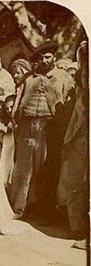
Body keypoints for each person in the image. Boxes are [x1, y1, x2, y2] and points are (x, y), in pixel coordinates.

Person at [9, 40, 74, 221]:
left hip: (49, 127)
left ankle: (44, 212)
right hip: (27, 126)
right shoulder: (29, 78)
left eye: (48, 57)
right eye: (42, 57)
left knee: (45, 170)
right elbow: (18, 102)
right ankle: (20, 208)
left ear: (54, 57)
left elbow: (68, 106)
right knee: (23, 169)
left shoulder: (63, 77)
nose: (44, 60)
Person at [57, 41, 88, 249]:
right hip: (79, 140)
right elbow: (75, 119)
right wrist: (68, 142)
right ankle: (77, 226)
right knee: (74, 182)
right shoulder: (81, 91)